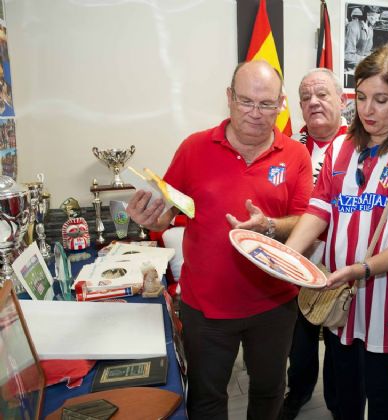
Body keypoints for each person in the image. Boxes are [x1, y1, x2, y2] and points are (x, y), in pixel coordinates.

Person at [126, 60, 313, 420]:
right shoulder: (193, 148)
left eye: (267, 104)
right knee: (207, 398)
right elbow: (168, 211)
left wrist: (270, 225)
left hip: (274, 304)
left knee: (269, 390)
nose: (256, 114)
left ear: (281, 104)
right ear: (229, 98)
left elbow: (306, 220)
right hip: (206, 307)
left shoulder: (296, 154)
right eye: (246, 101)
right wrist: (150, 217)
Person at [285, 45, 388, 420]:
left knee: (382, 393)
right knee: (344, 392)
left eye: (381, 99)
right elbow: (318, 211)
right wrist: (286, 254)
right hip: (338, 294)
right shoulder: (339, 147)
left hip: (384, 295)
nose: (368, 110)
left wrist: (362, 269)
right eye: (362, 97)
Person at [281, 68, 347, 420]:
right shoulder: (287, 146)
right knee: (300, 339)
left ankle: (339, 405)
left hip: (342, 261)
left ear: (342, 100)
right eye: (305, 97)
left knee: (339, 340)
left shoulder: (362, 145)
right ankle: (299, 393)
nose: (313, 103)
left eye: (322, 94)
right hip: (300, 258)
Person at [344, 6, 380, 71]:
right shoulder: (353, 27)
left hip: (362, 67)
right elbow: (347, 56)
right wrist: (366, 60)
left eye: (378, 17)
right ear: (367, 15)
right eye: (374, 17)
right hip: (350, 69)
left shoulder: (370, 28)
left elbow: (367, 52)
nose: (377, 20)